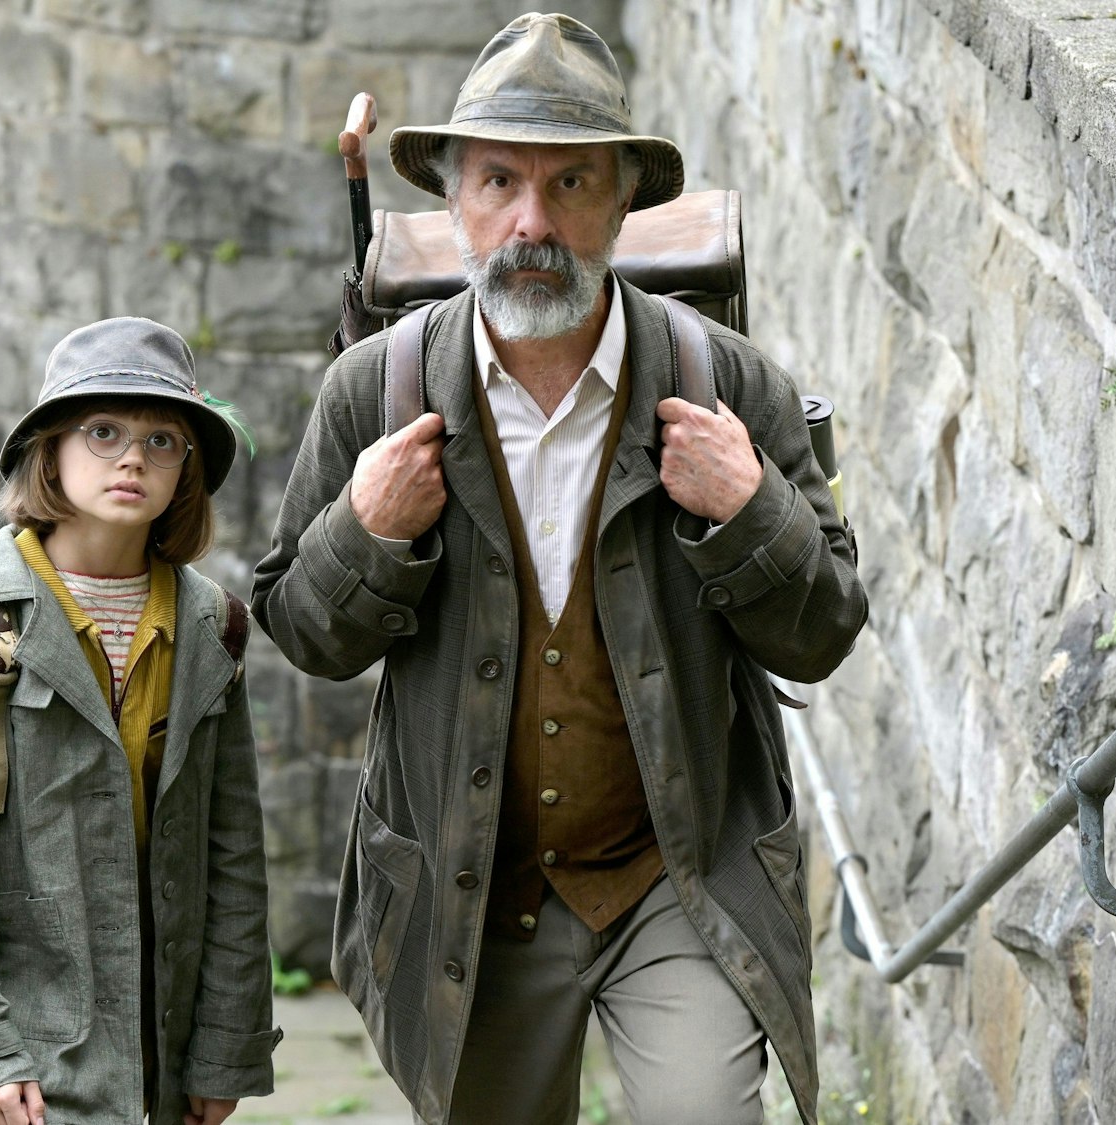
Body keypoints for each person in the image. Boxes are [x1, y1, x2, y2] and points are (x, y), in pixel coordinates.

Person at [251, 14, 867, 1125]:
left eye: (570, 182)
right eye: (497, 181)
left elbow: (820, 633)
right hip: (466, 895)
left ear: (621, 200)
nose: (530, 223)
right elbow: (303, 633)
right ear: (451, 195)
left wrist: (749, 508)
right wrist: (366, 529)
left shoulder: (725, 385)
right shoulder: (373, 391)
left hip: (677, 879)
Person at [0, 317, 279, 1125]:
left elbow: (232, 853)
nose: (133, 457)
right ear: (51, 451)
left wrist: (225, 1045)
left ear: (188, 470)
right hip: (15, 1072)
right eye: (103, 431)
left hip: (161, 1065)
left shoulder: (215, 627)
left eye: (163, 439)